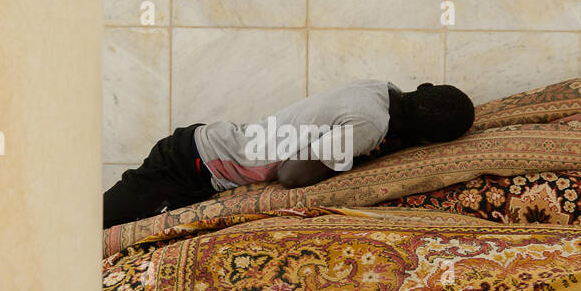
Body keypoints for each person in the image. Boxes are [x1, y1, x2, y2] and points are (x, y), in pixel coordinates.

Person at [103, 80, 475, 228]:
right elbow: (293, 176)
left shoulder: (380, 90)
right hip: (191, 164)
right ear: (425, 142)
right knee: (98, 229)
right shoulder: (372, 125)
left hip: (202, 151)